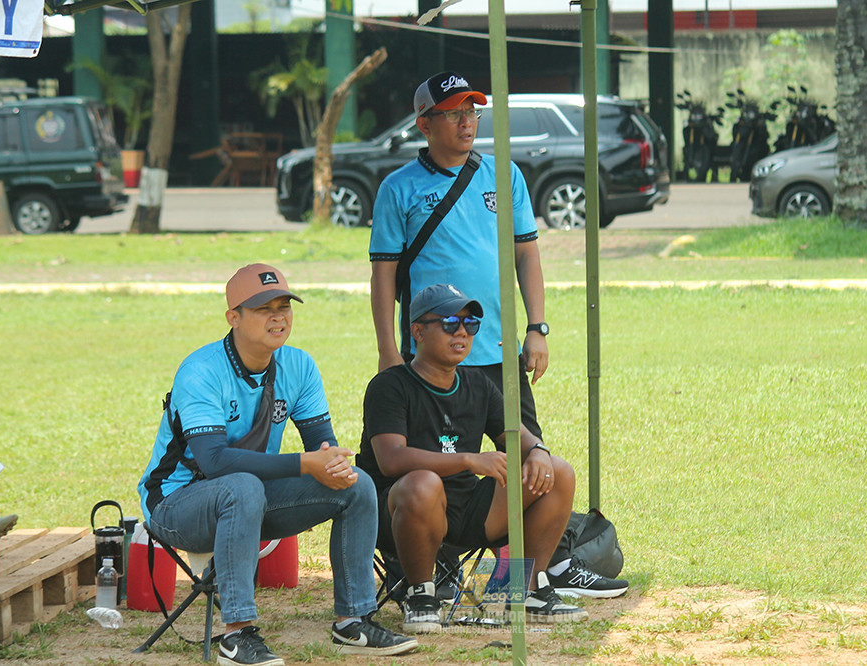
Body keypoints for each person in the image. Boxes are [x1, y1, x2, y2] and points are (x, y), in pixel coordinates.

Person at [137, 264, 416, 665]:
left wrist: (333, 464)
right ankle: (237, 635)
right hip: (176, 504)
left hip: (251, 499)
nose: (278, 317)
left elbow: (322, 448)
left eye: (284, 307)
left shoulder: (298, 366)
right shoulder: (201, 370)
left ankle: (353, 621)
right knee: (241, 486)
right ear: (233, 317)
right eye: (263, 309)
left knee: (356, 484)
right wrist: (305, 464)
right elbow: (214, 462)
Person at [357, 284, 627, 634]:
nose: (462, 332)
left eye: (470, 324)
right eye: (450, 322)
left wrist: (537, 451)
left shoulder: (477, 384)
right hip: (400, 514)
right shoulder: (390, 386)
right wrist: (469, 461)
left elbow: (519, 436)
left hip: (466, 509)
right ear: (418, 332)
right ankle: (421, 594)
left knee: (558, 472)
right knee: (423, 483)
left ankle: (525, 590)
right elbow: (391, 460)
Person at [369, 70, 549, 442]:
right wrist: (387, 351)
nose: (466, 122)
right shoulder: (398, 188)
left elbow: (527, 256)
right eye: (453, 113)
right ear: (424, 125)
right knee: (434, 464)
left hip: (499, 350)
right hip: (432, 355)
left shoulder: (505, 174)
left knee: (531, 460)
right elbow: (383, 275)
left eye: (471, 111)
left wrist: (536, 329)